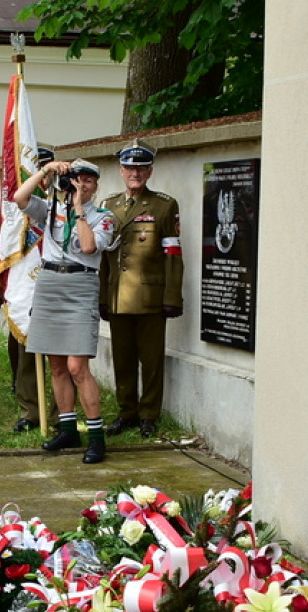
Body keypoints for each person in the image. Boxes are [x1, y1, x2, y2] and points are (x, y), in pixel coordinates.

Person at [15, 158, 115, 464]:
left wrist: (80, 210)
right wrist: (46, 171)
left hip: (80, 285)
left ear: (96, 186)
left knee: (76, 367)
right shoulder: (51, 210)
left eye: (87, 181)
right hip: (49, 283)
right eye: (76, 180)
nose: (81, 186)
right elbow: (19, 198)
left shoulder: (104, 217)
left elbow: (88, 248)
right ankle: (68, 428)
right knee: (56, 364)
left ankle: (96, 437)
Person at [100, 139, 183, 439]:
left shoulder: (164, 205)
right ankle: (126, 412)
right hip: (118, 297)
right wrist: (102, 297)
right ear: (121, 171)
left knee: (151, 360)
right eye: (129, 168)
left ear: (149, 172)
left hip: (151, 298)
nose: (135, 173)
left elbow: (173, 254)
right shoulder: (108, 206)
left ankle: (149, 414)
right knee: (122, 358)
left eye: (141, 168)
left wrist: (172, 297)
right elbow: (105, 259)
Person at [9, 143, 57, 433]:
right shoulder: (18, 203)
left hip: (56, 281)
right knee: (26, 349)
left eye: (50, 169)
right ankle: (30, 410)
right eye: (41, 170)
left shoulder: (67, 198)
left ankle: (57, 412)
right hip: (26, 280)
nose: (46, 178)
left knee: (59, 354)